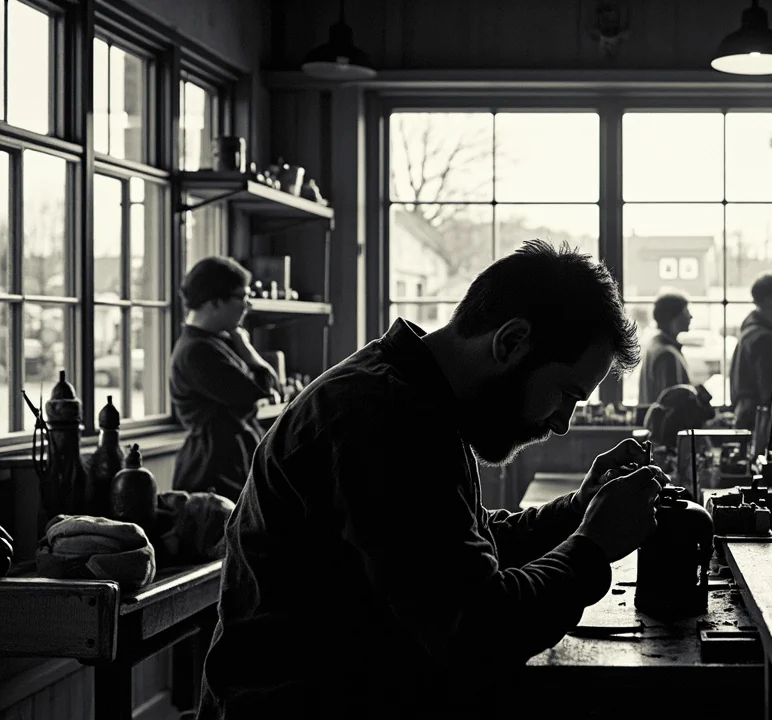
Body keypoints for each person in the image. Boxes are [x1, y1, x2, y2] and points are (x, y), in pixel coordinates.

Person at [197, 240, 667, 718]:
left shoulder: (416, 394)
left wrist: (579, 511)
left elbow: (456, 548)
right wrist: (591, 546)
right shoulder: (384, 419)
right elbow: (478, 632)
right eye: (566, 393)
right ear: (510, 342)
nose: (562, 422)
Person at [170, 257, 281, 499]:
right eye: (241, 296)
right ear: (214, 303)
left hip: (227, 460)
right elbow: (261, 388)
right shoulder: (198, 352)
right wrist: (247, 350)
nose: (247, 305)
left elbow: (269, 387)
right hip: (214, 468)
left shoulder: (213, 342)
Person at [728, 271, 772, 430]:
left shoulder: (753, 333)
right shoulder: (765, 340)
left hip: (752, 421)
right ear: (770, 300)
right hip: (763, 425)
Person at [638, 292, 693, 405]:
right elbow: (672, 404)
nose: (690, 316)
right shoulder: (667, 355)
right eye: (686, 312)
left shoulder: (654, 346)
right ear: (674, 317)